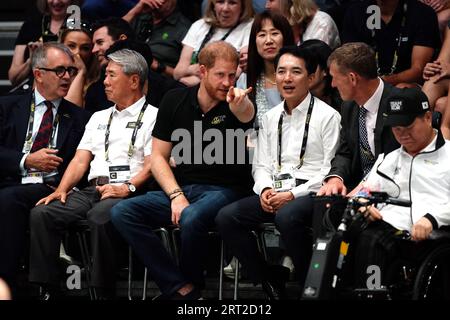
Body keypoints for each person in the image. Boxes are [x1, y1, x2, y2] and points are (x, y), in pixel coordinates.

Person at [110, 41, 255, 299]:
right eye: (220, 74)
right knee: (123, 211)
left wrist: (240, 105)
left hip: (228, 190)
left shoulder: (237, 101)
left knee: (191, 216)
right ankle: (179, 287)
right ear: (202, 71)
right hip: (184, 188)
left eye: (232, 75)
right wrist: (176, 195)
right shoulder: (175, 99)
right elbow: (158, 157)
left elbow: (246, 114)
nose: (227, 82)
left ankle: (191, 288)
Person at [28, 49, 158, 299]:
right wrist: (61, 190)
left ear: (133, 80)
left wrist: (127, 187)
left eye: (111, 75)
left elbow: (153, 164)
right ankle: (46, 290)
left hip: (129, 191)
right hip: (92, 189)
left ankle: (101, 292)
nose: (104, 82)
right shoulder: (99, 116)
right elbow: (79, 160)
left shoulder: (155, 116)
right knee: (43, 212)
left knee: (100, 217)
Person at [216, 46, 341, 299]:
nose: (287, 78)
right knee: (226, 218)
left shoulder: (329, 116)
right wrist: (264, 189)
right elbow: (261, 164)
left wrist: (292, 195)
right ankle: (268, 279)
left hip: (310, 192)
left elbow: (329, 171)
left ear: (311, 76)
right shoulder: (271, 117)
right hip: (275, 190)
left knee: (287, 217)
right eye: (281, 71)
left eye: (296, 71)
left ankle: (312, 285)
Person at [0, 42, 90, 294]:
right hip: (11, 178)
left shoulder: (81, 118)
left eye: (70, 71)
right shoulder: (7, 106)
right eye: (59, 70)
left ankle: (4, 284)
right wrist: (25, 160)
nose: (67, 77)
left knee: (9, 199)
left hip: (49, 187)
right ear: (38, 74)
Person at [351, 87, 450, 288]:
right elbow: (365, 191)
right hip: (395, 234)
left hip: (435, 236)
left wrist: (432, 218)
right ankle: (370, 290)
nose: (402, 134)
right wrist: (363, 204)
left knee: (372, 239)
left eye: (408, 126)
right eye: (396, 128)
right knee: (346, 235)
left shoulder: (448, 155)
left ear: (428, 117)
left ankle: (371, 291)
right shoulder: (390, 159)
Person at [318, 42, 400, 196]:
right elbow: (345, 152)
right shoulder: (348, 106)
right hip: (354, 186)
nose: (333, 84)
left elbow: (392, 162)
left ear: (352, 78)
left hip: (388, 189)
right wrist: (336, 178)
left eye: (334, 78)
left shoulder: (397, 105)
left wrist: (360, 192)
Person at [84, 17, 183, 113]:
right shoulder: (95, 92)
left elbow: (196, 125)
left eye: (100, 42)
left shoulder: (172, 92)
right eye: (108, 74)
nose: (94, 50)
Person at [342, 0, 441, 88]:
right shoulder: (356, 12)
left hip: (407, 84)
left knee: (402, 89)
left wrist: (382, 82)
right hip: (364, 85)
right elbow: (349, 62)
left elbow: (418, 69)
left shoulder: (422, 14)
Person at [173, 0, 254, 86]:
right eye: (220, 2)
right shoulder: (199, 25)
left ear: (242, 7)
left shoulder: (250, 26)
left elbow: (236, 73)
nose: (225, 8)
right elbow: (177, 73)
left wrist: (197, 77)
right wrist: (192, 70)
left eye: (232, 3)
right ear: (213, 6)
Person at [236, 10, 294, 130]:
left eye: (274, 33)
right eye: (262, 35)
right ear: (254, 41)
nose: (268, 41)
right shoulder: (245, 79)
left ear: (285, 37)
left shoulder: (298, 77)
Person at [8, 0, 79, 90]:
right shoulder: (30, 26)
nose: (56, 2)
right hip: (34, 89)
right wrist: (32, 59)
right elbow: (13, 78)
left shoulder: (77, 24)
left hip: (68, 88)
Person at [122, 0, 192, 78]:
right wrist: (136, 9)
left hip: (158, 81)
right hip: (125, 72)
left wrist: (157, 66)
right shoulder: (141, 15)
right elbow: (112, 33)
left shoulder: (184, 29)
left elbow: (185, 76)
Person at [60, 24, 101, 107]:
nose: (77, 52)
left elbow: (72, 114)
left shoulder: (99, 83)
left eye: (85, 48)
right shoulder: (49, 73)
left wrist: (81, 72)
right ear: (60, 46)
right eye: (71, 46)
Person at [299, 39, 342, 110]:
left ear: (325, 70)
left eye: (309, 66)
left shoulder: (344, 103)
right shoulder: (293, 100)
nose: (303, 72)